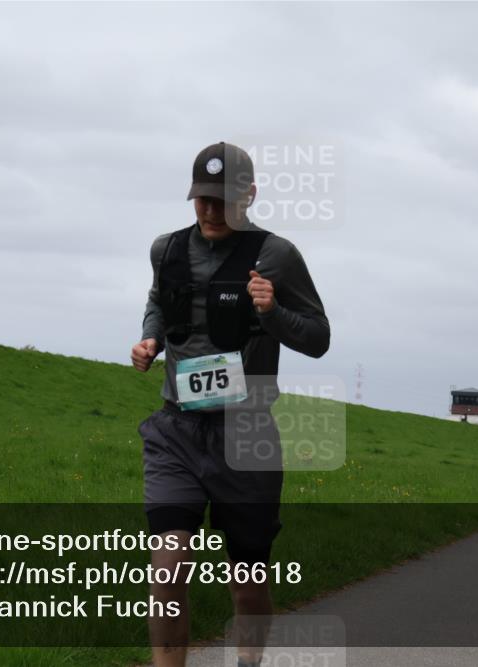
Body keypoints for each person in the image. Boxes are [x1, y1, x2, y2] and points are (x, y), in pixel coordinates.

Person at [132, 142, 330, 667]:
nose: (211, 210)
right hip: (176, 431)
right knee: (168, 569)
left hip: (247, 436)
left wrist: (273, 313)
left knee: (247, 583)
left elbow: (318, 337)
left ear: (250, 194)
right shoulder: (166, 249)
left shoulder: (277, 256)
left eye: (223, 200)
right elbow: (158, 301)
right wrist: (150, 339)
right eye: (202, 198)